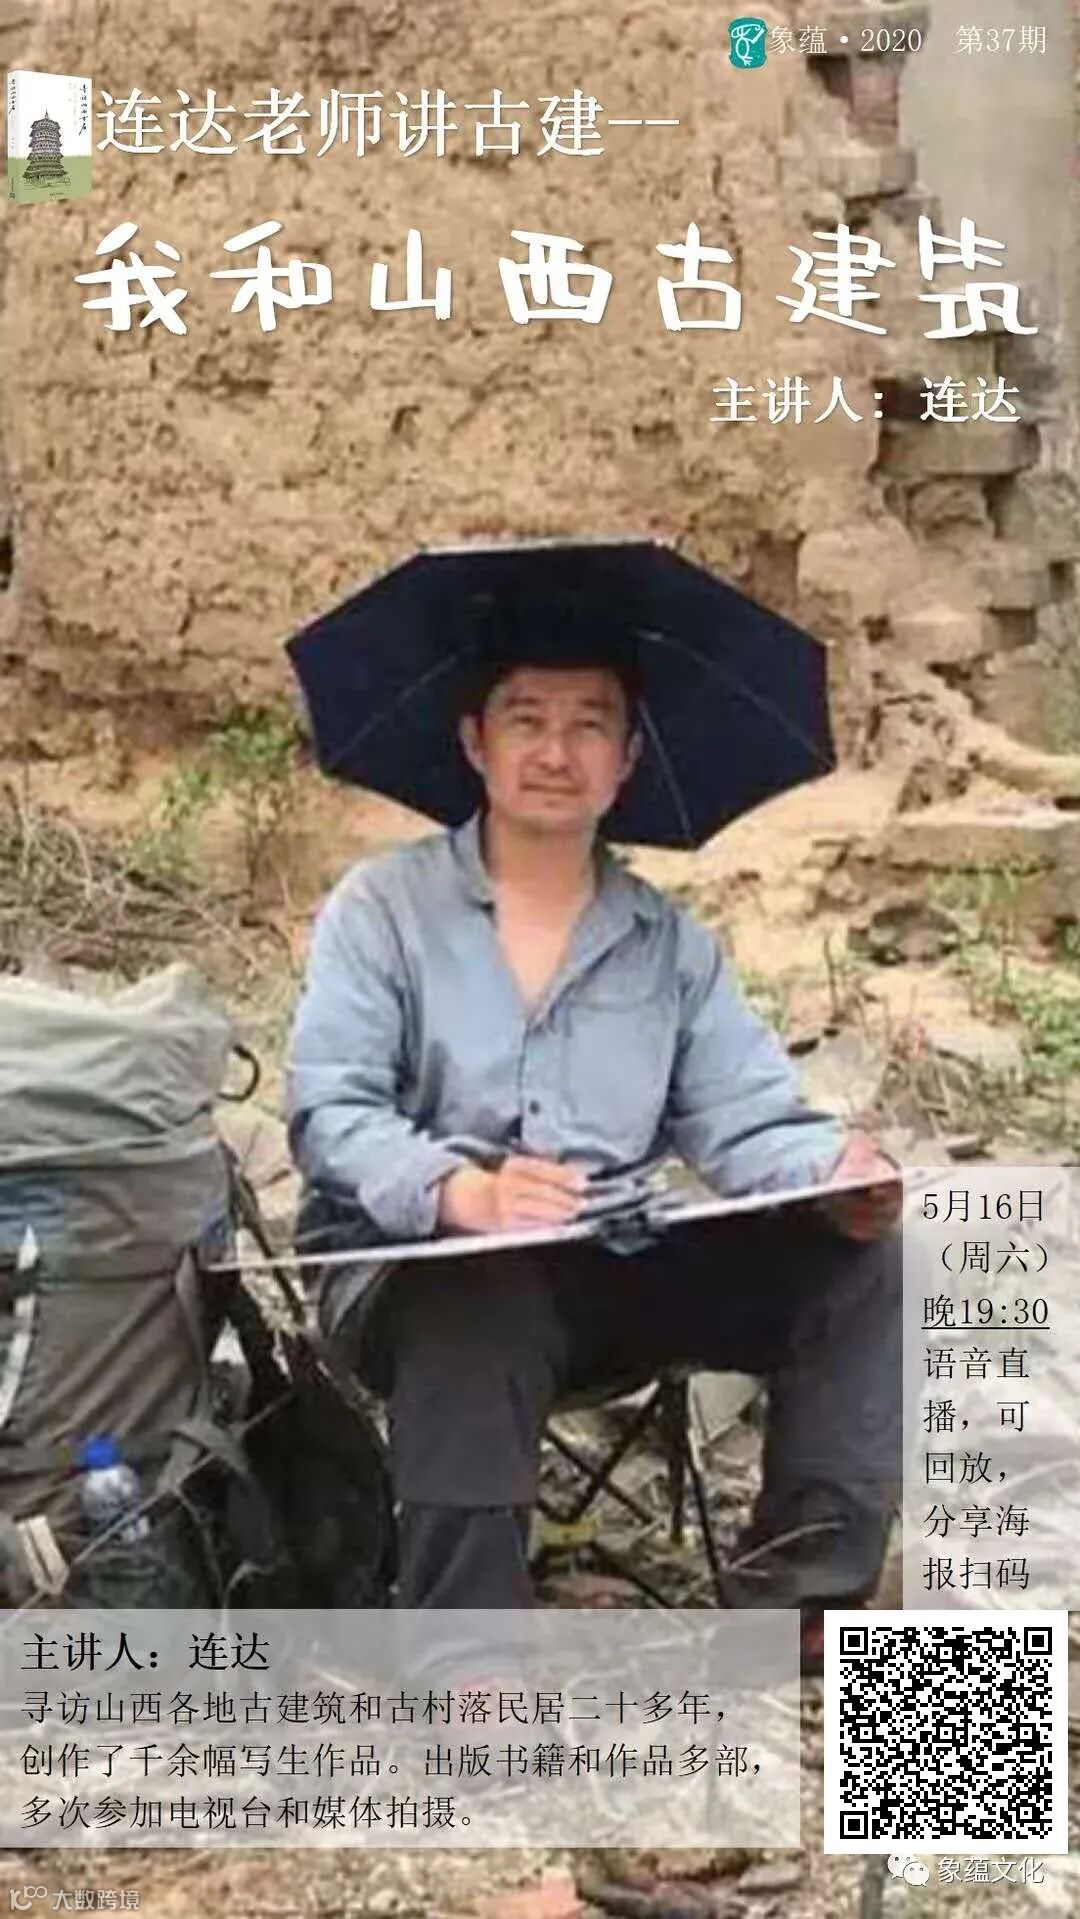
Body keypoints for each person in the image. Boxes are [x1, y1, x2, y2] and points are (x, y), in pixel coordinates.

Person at [284, 639, 904, 1657]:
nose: (556, 751)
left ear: (627, 759)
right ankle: (469, 1662)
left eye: (590, 723)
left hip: (610, 1261)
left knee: (862, 1259)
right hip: (416, 1272)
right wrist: (462, 1191)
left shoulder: (669, 945)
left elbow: (748, 1119)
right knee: (478, 1280)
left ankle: (800, 1615)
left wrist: (834, 1177)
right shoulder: (382, 910)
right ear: (475, 742)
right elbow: (329, 1109)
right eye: (526, 718)